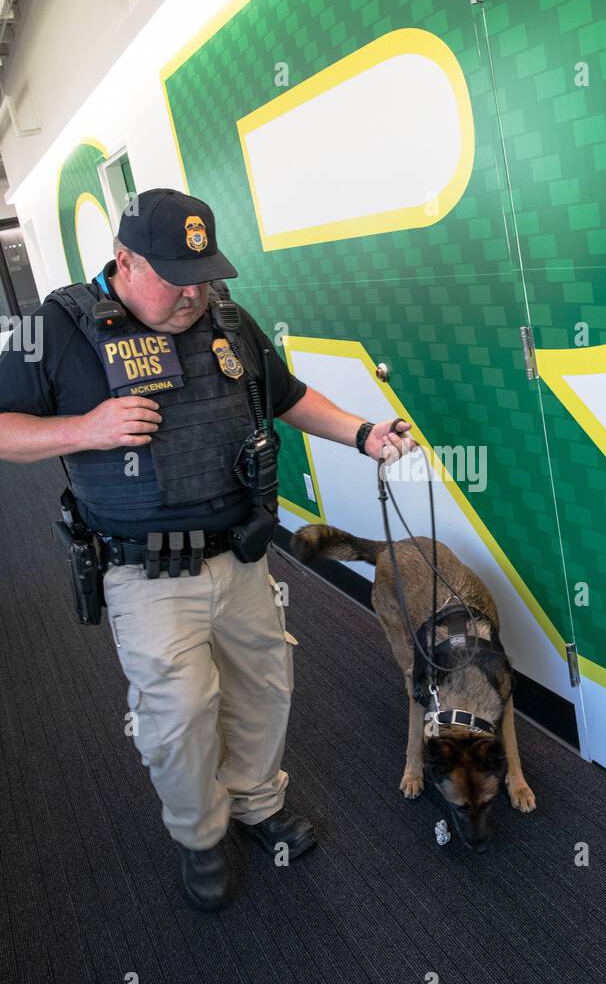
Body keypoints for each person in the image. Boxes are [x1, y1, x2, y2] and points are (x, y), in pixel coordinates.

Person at [0, 188, 415, 910]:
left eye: (203, 273)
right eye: (174, 275)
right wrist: (84, 430)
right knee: (181, 712)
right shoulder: (59, 328)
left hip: (245, 556)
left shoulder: (225, 316)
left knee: (265, 684)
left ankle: (256, 801)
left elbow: (285, 394)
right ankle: (199, 834)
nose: (193, 292)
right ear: (124, 259)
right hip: (144, 570)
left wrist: (361, 432)